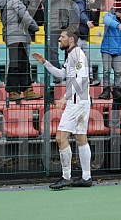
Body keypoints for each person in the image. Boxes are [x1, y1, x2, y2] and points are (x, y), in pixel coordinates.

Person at [32, 30, 92, 189]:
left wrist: (65, 96)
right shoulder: (71, 54)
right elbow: (61, 74)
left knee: (60, 137)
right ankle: (86, 177)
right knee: (80, 138)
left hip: (77, 101)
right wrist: (45, 62)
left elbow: (81, 78)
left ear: (71, 39)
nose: (59, 39)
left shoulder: (77, 54)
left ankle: (66, 176)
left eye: (62, 37)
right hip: (81, 101)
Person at [0, 0, 42, 101]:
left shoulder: (0, 2)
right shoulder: (14, 1)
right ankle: (17, 90)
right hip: (19, 35)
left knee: (19, 62)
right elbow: (25, 16)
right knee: (20, 63)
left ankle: (21, 89)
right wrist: (35, 27)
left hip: (10, 35)